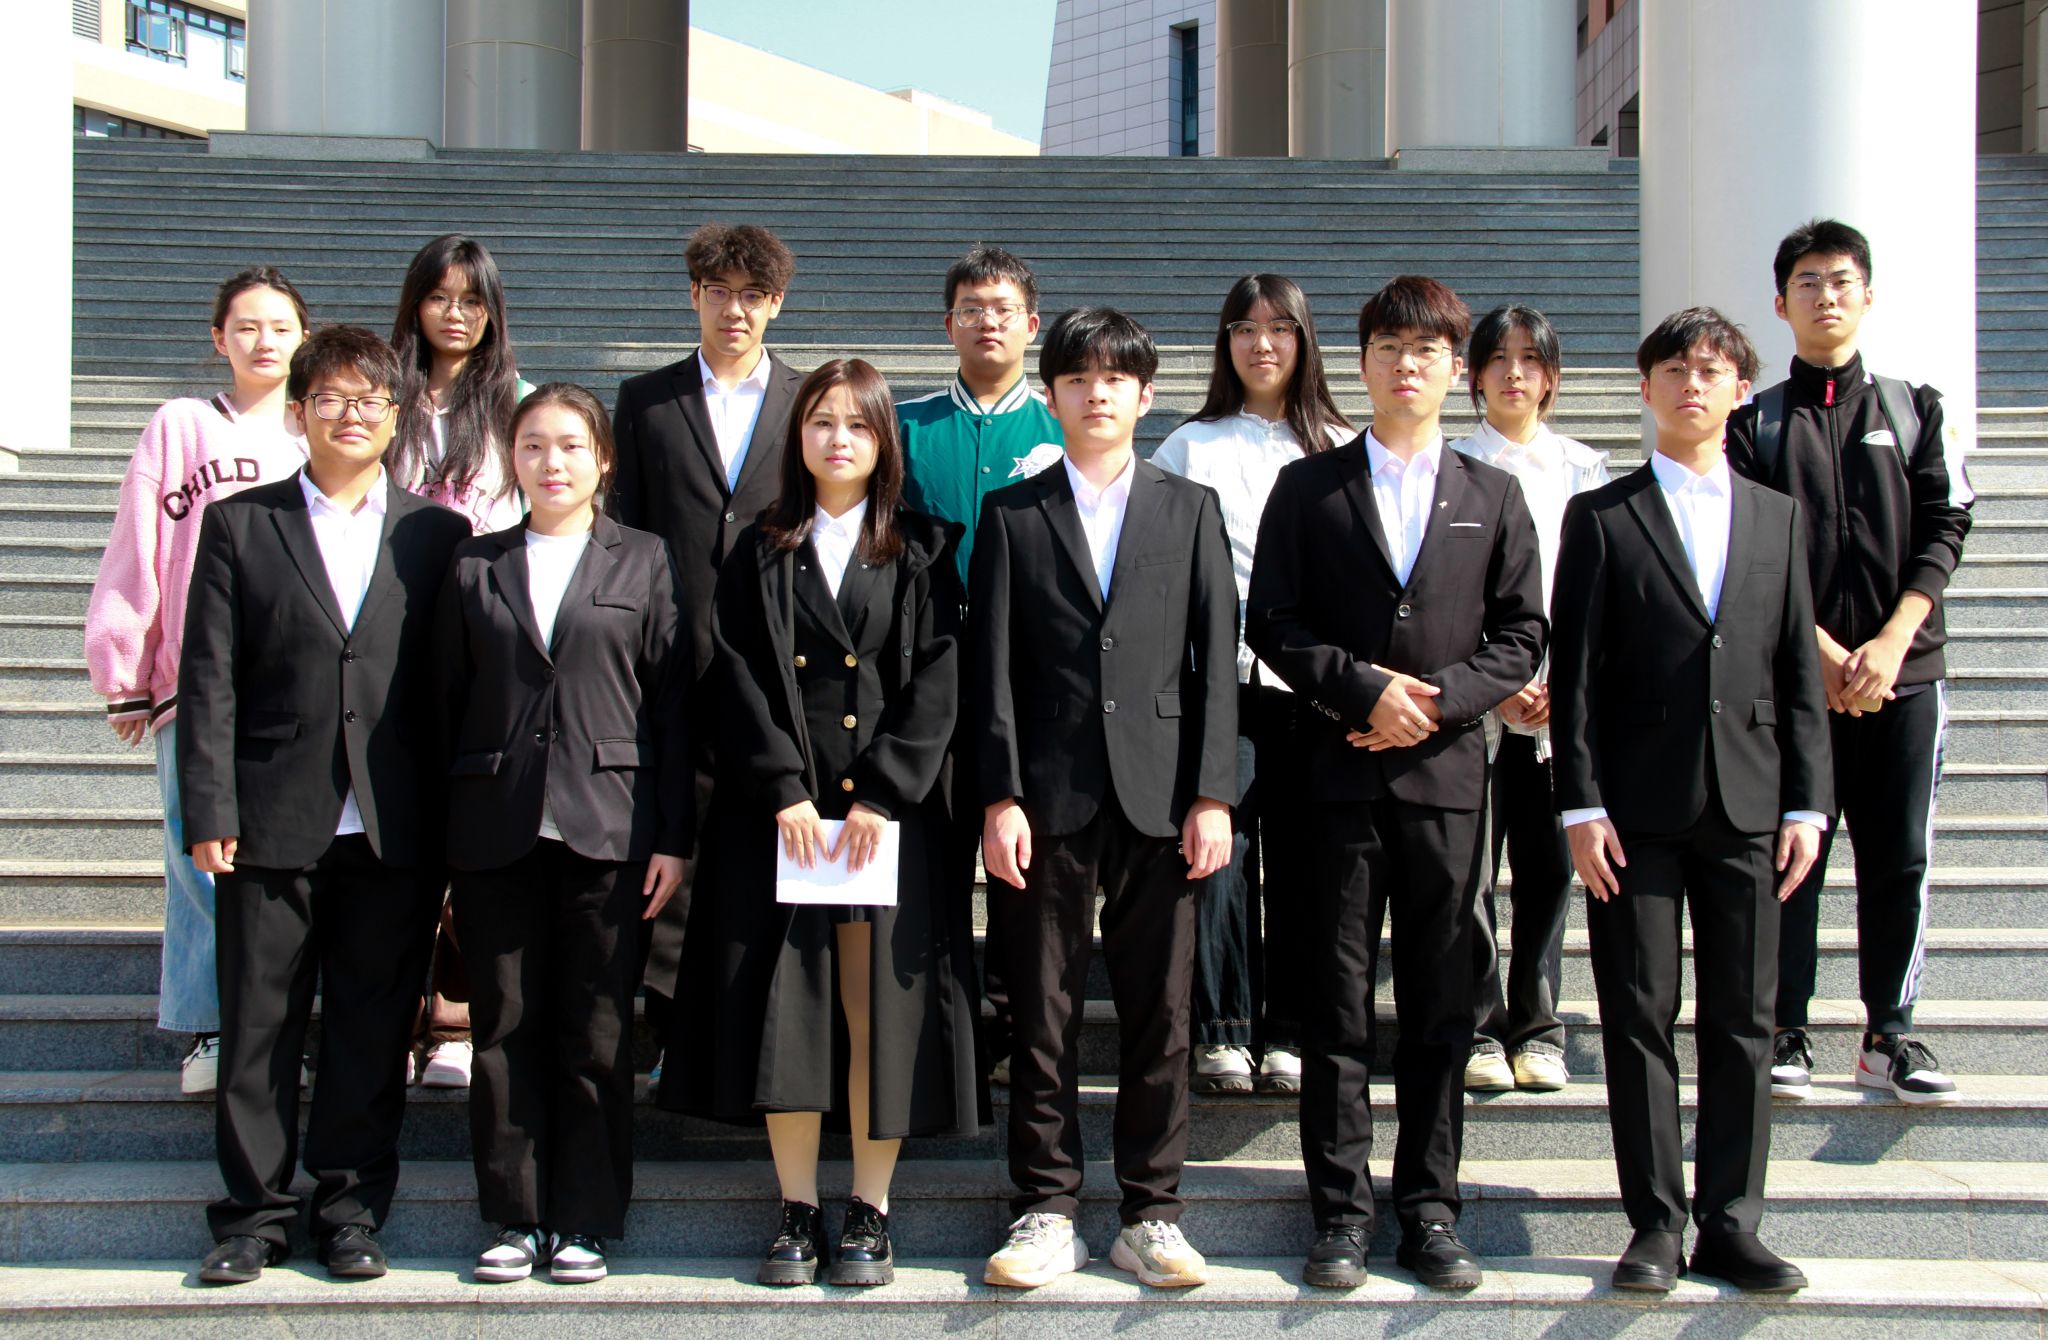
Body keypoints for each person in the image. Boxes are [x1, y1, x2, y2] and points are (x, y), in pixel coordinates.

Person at [1245, 275, 1545, 1293]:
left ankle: (1429, 1209)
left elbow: (1521, 633)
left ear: (1456, 369)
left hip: (1446, 782)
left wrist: (1438, 701)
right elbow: (1271, 620)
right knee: (1333, 1008)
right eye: (1387, 347)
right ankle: (1338, 1213)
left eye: (1425, 350)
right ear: (1362, 362)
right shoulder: (1307, 488)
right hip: (1333, 778)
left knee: (1438, 1007)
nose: (1405, 364)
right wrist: (1362, 688)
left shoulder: (1492, 494)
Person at [669, 359, 982, 1288]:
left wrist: (882, 793)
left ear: (885, 440)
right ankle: (798, 1207)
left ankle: (870, 1209)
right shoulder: (758, 548)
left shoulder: (922, 548)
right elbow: (731, 674)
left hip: (887, 824)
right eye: (820, 423)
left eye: (857, 424)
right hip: (786, 821)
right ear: (796, 437)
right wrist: (782, 789)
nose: (837, 439)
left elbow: (939, 678)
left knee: (874, 1011)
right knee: (792, 1013)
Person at [179, 326, 471, 1285]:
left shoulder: (436, 535)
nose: (353, 414)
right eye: (333, 398)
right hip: (269, 816)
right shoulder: (240, 524)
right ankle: (252, 1218)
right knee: (258, 1027)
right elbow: (208, 676)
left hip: (394, 826)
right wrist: (209, 807)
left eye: (371, 399)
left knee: (371, 1025)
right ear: (298, 413)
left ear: (396, 416)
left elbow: (450, 690)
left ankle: (350, 1210)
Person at [1550, 307, 1831, 1294]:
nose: (1690, 384)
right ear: (1644, 389)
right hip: (1632, 812)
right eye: (1672, 369)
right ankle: (1656, 1224)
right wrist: (1578, 804)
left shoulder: (1777, 516)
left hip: (1751, 806)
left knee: (1744, 1020)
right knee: (1637, 1013)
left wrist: (1808, 805)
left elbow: (1798, 669)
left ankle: (1732, 1222)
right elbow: (1575, 675)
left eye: (1710, 370)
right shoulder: (1601, 515)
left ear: (1740, 391)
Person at [973, 307, 1238, 1291]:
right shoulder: (1013, 513)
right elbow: (991, 667)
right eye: (1077, 378)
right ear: (1051, 394)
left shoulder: (1190, 506)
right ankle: (1045, 1205)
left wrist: (1213, 793)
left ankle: (1151, 1211)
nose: (1096, 393)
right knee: (1040, 1012)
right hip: (1045, 796)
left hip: (1163, 798)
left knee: (1159, 1011)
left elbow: (1216, 660)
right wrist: (998, 794)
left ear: (1144, 392)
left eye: (1115, 377)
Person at [433, 383, 691, 1286]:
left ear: (603, 460)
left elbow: (671, 706)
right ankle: (513, 1214)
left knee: (598, 1030)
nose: (553, 462)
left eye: (573, 445)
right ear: (513, 457)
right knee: (504, 1024)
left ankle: (584, 1217)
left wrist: (673, 837)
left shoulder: (643, 559)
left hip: (610, 828)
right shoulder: (475, 563)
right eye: (534, 445)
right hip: (495, 825)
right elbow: (443, 702)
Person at [1727, 219, 1975, 1106]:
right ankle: (1785, 1027)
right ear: (1780, 302)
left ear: (1868, 295)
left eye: (1840, 281)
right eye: (1807, 282)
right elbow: (1748, 546)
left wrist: (1895, 638)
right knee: (1790, 853)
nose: (1824, 296)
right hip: (1795, 683)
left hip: (1907, 675)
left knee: (1899, 856)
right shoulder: (1755, 424)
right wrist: (1824, 653)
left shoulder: (1915, 410)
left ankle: (1889, 1034)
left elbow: (1946, 524)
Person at [85, 266, 309, 1097]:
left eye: (279, 327)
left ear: (304, 338)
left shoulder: (318, 429)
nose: (263, 341)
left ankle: (282, 1028)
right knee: (200, 859)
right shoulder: (180, 425)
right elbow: (136, 542)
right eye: (246, 326)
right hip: (194, 680)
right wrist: (125, 666)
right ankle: (212, 1028)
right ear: (218, 338)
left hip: (293, 691)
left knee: (281, 866)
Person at [609, 223, 805, 1083]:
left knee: (756, 846)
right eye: (719, 291)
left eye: (753, 295)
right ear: (693, 295)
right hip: (669, 657)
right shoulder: (645, 400)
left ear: (776, 304)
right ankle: (663, 1024)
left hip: (774, 664)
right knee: (670, 838)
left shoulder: (806, 400)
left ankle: (757, 1033)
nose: (735, 310)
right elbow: (623, 527)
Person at [1151, 273, 1351, 1098]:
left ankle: (1293, 1031)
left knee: (1308, 862)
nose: (1261, 344)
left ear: (1305, 340)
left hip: (1315, 691)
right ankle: (1224, 1030)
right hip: (1220, 686)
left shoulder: (1342, 445)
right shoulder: (1188, 446)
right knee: (1220, 855)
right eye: (1243, 327)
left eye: (1279, 328)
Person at [896, 243, 1064, 1089]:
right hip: (925, 676)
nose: (987, 322)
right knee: (931, 861)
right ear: (948, 323)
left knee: (1021, 866)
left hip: (1032, 686)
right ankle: (938, 1034)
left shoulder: (1066, 426)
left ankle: (1008, 1023)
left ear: (1032, 324)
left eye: (1003, 309)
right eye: (971, 308)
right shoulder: (905, 426)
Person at [389, 233, 538, 1090]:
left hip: (485, 634)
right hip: (387, 634)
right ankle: (392, 1015)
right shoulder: (381, 394)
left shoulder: (515, 401)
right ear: (416, 304)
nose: (456, 314)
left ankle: (454, 1014)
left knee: (471, 830)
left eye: (473, 301)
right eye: (441, 297)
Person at [1449, 304, 1611, 1094]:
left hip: (1557, 704)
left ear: (1552, 377)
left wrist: (1556, 683)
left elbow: (1596, 591)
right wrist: (1501, 681)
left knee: (1549, 871)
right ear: (1475, 376)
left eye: (1531, 359)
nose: (1515, 373)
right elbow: (1447, 595)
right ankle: (1479, 1028)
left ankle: (1539, 1029)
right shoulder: (1451, 464)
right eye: (1499, 359)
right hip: (1474, 702)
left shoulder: (1585, 470)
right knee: (1469, 872)